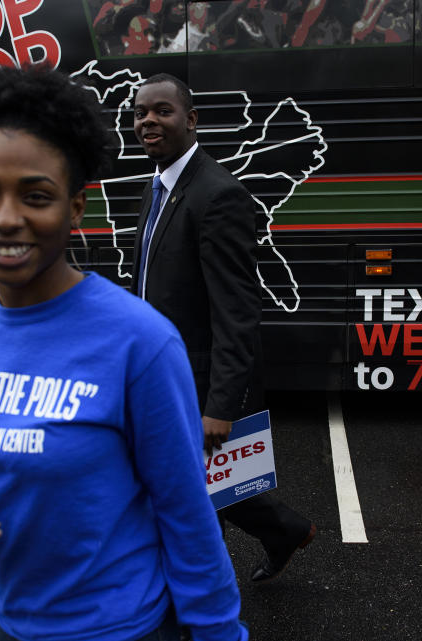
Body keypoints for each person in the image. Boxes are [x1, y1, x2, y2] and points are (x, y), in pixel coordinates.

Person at [0, 64, 248, 641]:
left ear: (75, 208)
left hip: (126, 628)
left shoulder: (141, 341)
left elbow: (185, 512)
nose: (6, 218)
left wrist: (220, 633)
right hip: (15, 625)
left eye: (36, 195)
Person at [131, 72, 315, 583]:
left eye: (162, 110)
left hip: (197, 381)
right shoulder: (158, 188)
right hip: (160, 375)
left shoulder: (218, 195)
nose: (149, 120)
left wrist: (221, 406)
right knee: (204, 486)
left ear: (190, 120)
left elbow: (237, 310)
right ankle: (285, 530)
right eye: (141, 112)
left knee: (189, 505)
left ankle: (194, 611)